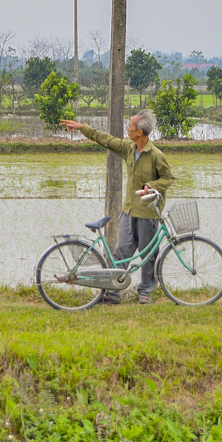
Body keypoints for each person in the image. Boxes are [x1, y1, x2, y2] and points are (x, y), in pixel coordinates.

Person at [63, 108, 176, 305]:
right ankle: (113, 293)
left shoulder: (156, 155)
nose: (128, 129)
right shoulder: (129, 148)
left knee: (148, 256)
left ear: (139, 132)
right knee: (121, 252)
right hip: (128, 211)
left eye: (130, 127)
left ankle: (145, 292)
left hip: (148, 213)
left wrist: (152, 186)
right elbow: (106, 139)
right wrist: (83, 128)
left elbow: (168, 178)